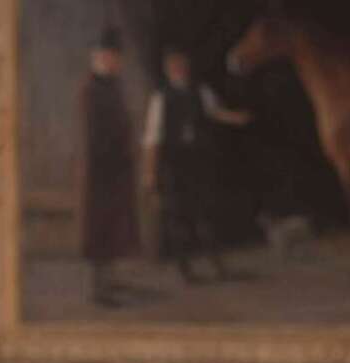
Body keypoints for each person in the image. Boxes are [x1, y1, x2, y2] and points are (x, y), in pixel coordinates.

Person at [142, 48, 251, 284]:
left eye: (182, 65)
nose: (179, 70)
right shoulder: (161, 98)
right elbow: (152, 137)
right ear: (168, 70)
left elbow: (215, 112)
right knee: (178, 217)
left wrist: (236, 118)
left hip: (197, 162)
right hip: (174, 165)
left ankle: (217, 265)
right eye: (174, 66)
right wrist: (150, 172)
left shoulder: (200, 91)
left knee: (205, 213)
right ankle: (186, 271)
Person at [79, 27, 139, 307]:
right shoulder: (92, 89)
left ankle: (109, 280)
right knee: (100, 228)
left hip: (116, 168)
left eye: (118, 58)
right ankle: (99, 289)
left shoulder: (112, 86)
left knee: (114, 226)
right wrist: (114, 153)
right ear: (102, 57)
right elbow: (96, 134)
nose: (117, 63)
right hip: (101, 169)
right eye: (113, 57)